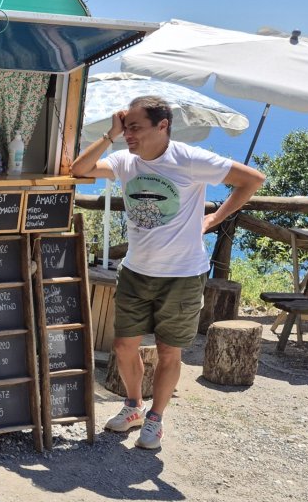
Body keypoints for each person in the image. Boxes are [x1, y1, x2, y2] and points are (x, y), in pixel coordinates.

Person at [70, 95, 265, 452]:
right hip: (136, 271)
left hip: (183, 274)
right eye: (127, 127)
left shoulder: (190, 159)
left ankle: (155, 420)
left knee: (168, 351)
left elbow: (252, 180)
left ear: (163, 126)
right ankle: (133, 407)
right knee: (123, 346)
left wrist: (213, 219)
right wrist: (111, 134)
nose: (130, 135)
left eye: (136, 128)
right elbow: (79, 171)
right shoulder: (125, 160)